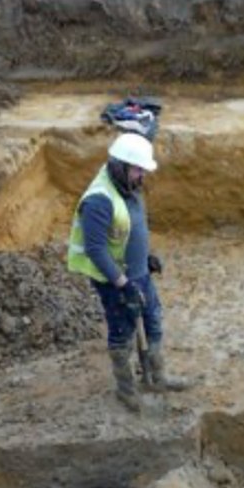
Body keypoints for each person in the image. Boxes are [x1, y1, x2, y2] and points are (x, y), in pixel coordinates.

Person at [65, 132, 190, 412]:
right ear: (120, 166)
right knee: (123, 331)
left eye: (143, 169)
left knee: (152, 319)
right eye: (137, 169)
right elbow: (96, 250)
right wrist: (123, 284)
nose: (142, 175)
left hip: (138, 273)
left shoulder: (130, 187)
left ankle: (156, 378)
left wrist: (144, 258)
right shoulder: (98, 200)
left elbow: (129, 230)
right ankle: (126, 389)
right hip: (115, 281)